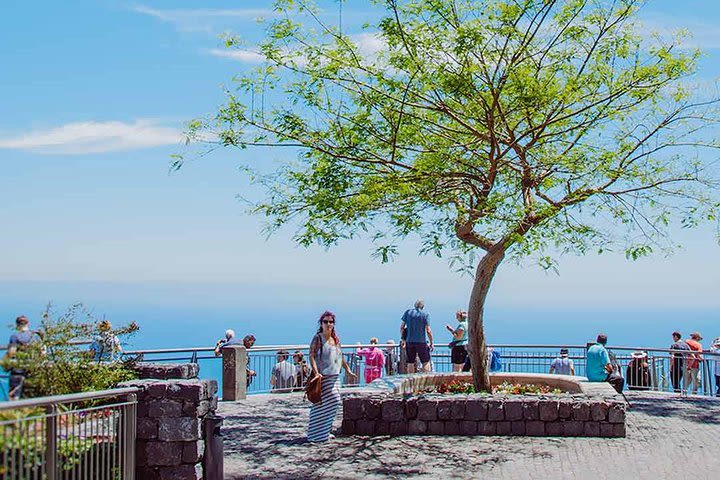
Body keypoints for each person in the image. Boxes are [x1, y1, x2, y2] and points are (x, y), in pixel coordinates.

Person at [307, 311, 357, 442]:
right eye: (325, 322)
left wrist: (348, 370)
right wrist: (316, 372)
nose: (328, 324)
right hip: (324, 377)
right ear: (321, 324)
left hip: (335, 376)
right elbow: (311, 354)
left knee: (330, 404)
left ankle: (323, 432)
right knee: (325, 403)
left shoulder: (335, 339)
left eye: (331, 322)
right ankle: (314, 434)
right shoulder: (318, 338)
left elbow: (341, 357)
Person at [4, 316, 40, 400]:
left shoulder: (15, 337)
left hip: (18, 370)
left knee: (14, 397)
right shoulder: (35, 337)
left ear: (17, 325)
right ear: (28, 324)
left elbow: (11, 353)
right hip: (33, 369)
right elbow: (42, 353)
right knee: (31, 396)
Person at [400, 299, 434, 373]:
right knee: (425, 361)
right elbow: (428, 330)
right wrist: (431, 342)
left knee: (410, 362)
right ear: (423, 306)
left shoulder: (408, 312)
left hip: (409, 341)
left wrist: (403, 340)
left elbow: (402, 327)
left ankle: (410, 381)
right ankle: (426, 380)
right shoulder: (425, 314)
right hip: (421, 341)